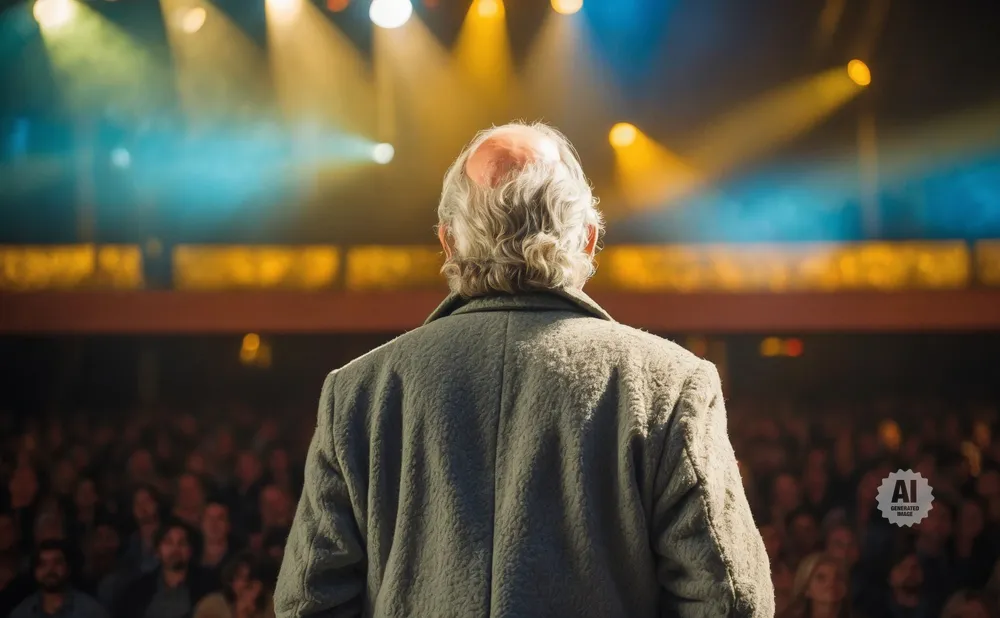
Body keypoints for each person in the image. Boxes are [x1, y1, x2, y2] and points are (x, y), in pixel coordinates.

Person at [274, 121, 772, 617]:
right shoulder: (671, 385)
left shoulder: (358, 392)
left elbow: (307, 603)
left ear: (448, 241)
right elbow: (728, 600)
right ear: (588, 240)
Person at [113, 519, 210, 618]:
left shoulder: (207, 586)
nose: (175, 549)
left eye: (182, 543)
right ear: (157, 551)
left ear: (190, 551)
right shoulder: (137, 591)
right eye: (168, 543)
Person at [10, 540, 108, 618]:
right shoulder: (22, 613)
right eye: (43, 564)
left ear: (68, 568)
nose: (50, 569)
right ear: (35, 571)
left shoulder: (91, 611)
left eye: (57, 562)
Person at [193, 552, 275, 618]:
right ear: (231, 581)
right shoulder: (212, 607)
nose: (246, 584)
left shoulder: (272, 608)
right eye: (241, 577)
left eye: (252, 579)